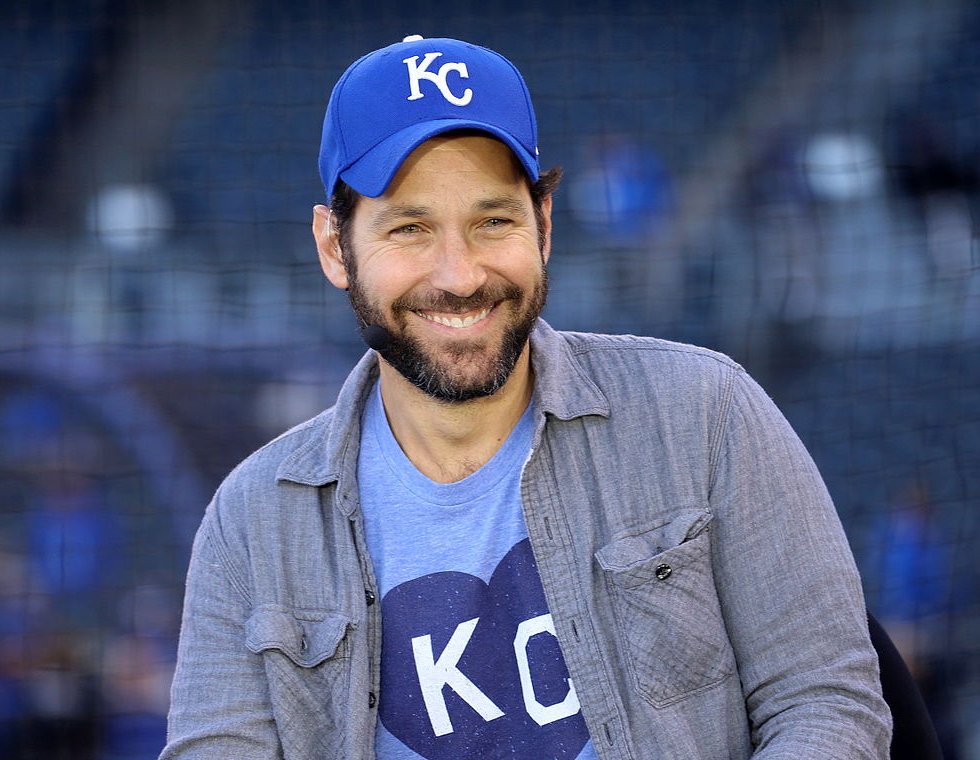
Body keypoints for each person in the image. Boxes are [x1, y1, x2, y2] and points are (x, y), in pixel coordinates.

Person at [161, 35, 892, 759]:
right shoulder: (253, 523)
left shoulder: (704, 413)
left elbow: (826, 702)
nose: (459, 274)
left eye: (493, 221)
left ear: (543, 223)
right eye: (409, 228)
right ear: (334, 247)